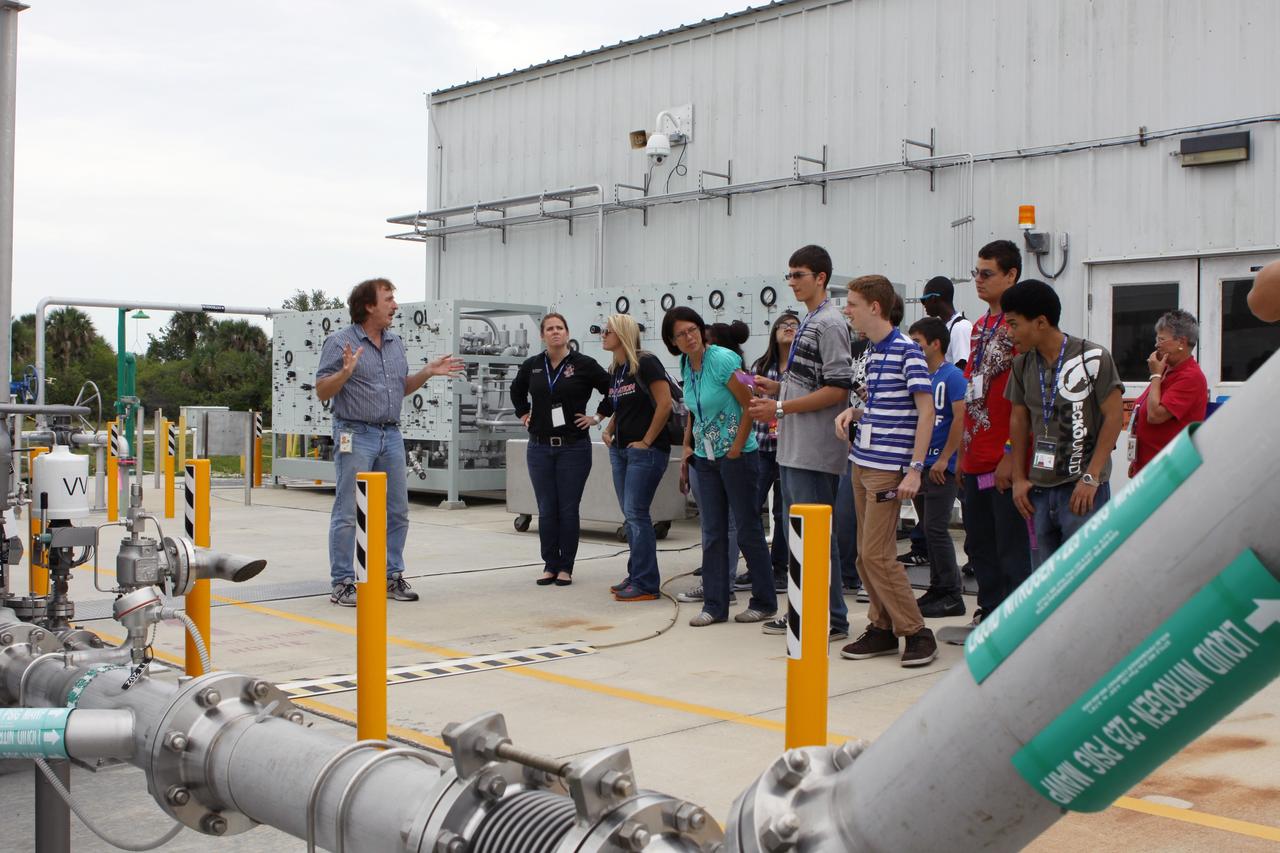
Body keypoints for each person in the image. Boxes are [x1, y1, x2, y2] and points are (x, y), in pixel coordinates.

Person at [316, 278, 465, 607]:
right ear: (369, 306)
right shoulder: (339, 341)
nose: (395, 305)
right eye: (389, 299)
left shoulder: (396, 342)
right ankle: (342, 582)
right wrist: (345, 373)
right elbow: (322, 391)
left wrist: (427, 372)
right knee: (346, 510)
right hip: (353, 434)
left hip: (391, 434)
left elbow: (400, 388)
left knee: (397, 510)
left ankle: (390, 575)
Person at [747, 245, 852, 643]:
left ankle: (831, 618)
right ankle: (806, 612)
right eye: (789, 275)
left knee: (816, 539)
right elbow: (814, 381)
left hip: (814, 448)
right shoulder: (809, 320)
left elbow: (838, 388)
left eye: (799, 275)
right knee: (800, 539)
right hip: (795, 447)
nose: (791, 282)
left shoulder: (829, 323)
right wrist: (779, 387)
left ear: (820, 278)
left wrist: (779, 405)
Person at [834, 275, 938, 667]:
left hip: (886, 469)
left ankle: (915, 631)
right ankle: (881, 626)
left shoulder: (906, 351)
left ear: (874, 307)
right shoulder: (875, 352)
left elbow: (925, 411)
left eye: (853, 304)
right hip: (862, 462)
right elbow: (883, 406)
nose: (848, 310)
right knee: (864, 556)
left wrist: (914, 470)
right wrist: (855, 411)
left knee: (877, 554)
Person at [666, 308, 777, 626]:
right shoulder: (687, 364)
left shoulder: (726, 359)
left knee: (747, 529)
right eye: (680, 335)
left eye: (692, 330)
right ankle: (715, 604)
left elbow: (751, 403)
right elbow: (695, 411)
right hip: (706, 458)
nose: (688, 338)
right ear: (673, 342)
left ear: (701, 330)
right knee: (712, 532)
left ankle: (765, 600)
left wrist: (737, 448)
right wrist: (689, 446)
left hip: (737, 457)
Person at [1003, 280, 1124, 567]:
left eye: (1014, 324)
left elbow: (1115, 416)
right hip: (1038, 491)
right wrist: (1019, 478)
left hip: (1082, 488)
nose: (1010, 334)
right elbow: (1019, 419)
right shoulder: (1022, 365)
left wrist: (1092, 476)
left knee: (1084, 576)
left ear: (1041, 322)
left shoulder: (1092, 357)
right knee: (1043, 580)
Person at [957, 240, 1031, 630]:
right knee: (979, 542)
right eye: (976, 273)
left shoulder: (1020, 327)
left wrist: (1010, 454)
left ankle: (1015, 617)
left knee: (1010, 545)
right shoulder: (980, 327)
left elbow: (1026, 401)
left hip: (1004, 458)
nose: (979, 281)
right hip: (974, 455)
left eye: (987, 274)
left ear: (1011, 275)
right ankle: (988, 609)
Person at [510, 313, 611, 586]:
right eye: (550, 329)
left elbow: (612, 389)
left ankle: (565, 567)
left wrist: (598, 417)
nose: (555, 332)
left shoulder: (584, 365)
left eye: (560, 328)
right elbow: (516, 390)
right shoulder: (533, 365)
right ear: (543, 335)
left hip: (573, 449)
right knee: (546, 508)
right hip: (540, 448)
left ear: (567, 333)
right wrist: (523, 413)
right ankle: (549, 565)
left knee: (568, 508)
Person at [597, 313, 674, 602]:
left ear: (622, 333)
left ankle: (646, 583)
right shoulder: (618, 368)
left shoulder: (646, 362)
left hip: (646, 452)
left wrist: (646, 441)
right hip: (622, 449)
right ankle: (636, 574)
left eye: (608, 330)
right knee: (630, 516)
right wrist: (610, 428)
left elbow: (664, 404)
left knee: (637, 514)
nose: (603, 334)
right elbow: (622, 405)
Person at [905, 317, 967, 618]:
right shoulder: (918, 378)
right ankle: (937, 587)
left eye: (917, 342)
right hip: (921, 464)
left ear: (935, 343)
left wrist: (945, 458)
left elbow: (960, 418)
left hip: (940, 466)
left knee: (936, 528)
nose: (913, 348)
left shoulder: (952, 376)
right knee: (927, 529)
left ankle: (952, 593)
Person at [741, 312, 800, 588]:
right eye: (784, 325)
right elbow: (750, 402)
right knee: (750, 506)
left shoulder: (802, 366)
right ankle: (757, 565)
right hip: (763, 446)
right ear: (774, 332)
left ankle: (779, 568)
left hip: (790, 448)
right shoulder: (761, 365)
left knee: (782, 513)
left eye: (794, 326)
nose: (789, 329)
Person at [1129, 310, 1209, 475]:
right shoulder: (1166, 369)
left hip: (1168, 469)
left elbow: (1155, 415)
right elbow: (1143, 407)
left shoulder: (1191, 377)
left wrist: (1155, 375)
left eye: (1161, 339)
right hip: (1148, 464)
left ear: (1181, 341)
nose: (1156, 344)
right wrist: (1136, 459)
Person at [921, 275, 973, 369]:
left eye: (924, 300)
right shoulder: (944, 327)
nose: (923, 305)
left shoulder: (960, 327)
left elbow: (963, 369)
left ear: (934, 299)